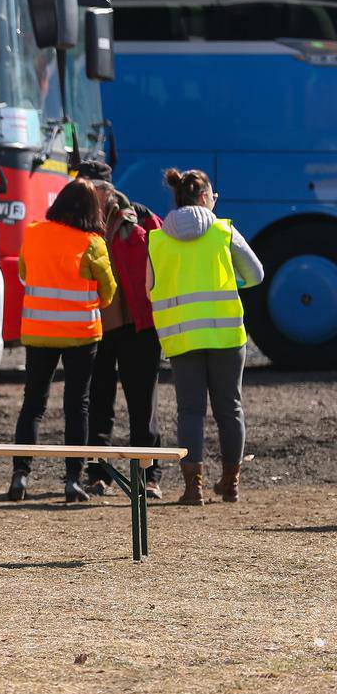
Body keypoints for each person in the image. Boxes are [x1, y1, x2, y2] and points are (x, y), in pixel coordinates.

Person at [148, 167, 263, 506]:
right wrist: (231, 282)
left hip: (182, 337)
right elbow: (255, 274)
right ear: (204, 198)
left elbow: (148, 287)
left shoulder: (157, 238)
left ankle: (192, 487)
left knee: (190, 411)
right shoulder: (223, 231)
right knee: (230, 408)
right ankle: (231, 483)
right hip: (226, 334)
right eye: (213, 195)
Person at [8, 178, 117, 504]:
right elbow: (109, 291)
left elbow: (24, 274)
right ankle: (73, 479)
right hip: (80, 334)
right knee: (77, 406)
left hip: (39, 332)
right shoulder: (92, 243)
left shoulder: (34, 232)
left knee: (33, 404)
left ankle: (20, 474)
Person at [86, 186, 165, 500]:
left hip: (138, 325)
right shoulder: (79, 223)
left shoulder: (142, 219)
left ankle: (149, 475)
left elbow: (161, 259)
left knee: (142, 404)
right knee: (99, 403)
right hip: (97, 325)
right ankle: (98, 473)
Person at [73, 159, 160, 231]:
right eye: (80, 187)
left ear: (108, 191)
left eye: (92, 187)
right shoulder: (66, 220)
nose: (84, 192)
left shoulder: (140, 218)